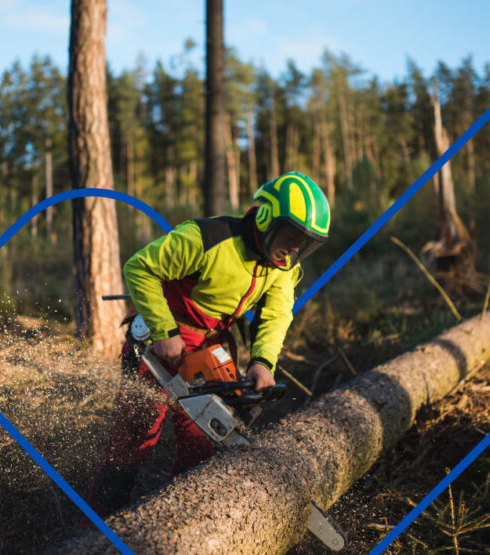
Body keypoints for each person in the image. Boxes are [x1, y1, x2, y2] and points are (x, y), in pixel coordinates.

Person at [86, 171, 331, 516]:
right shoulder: (206, 238)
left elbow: (276, 315)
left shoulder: (283, 268)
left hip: (211, 342)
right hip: (163, 333)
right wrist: (163, 331)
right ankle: (98, 520)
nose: (293, 249)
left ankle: (183, 519)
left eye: (303, 244)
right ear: (265, 218)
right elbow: (139, 267)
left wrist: (263, 363)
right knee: (138, 431)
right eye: (290, 236)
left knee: (205, 434)